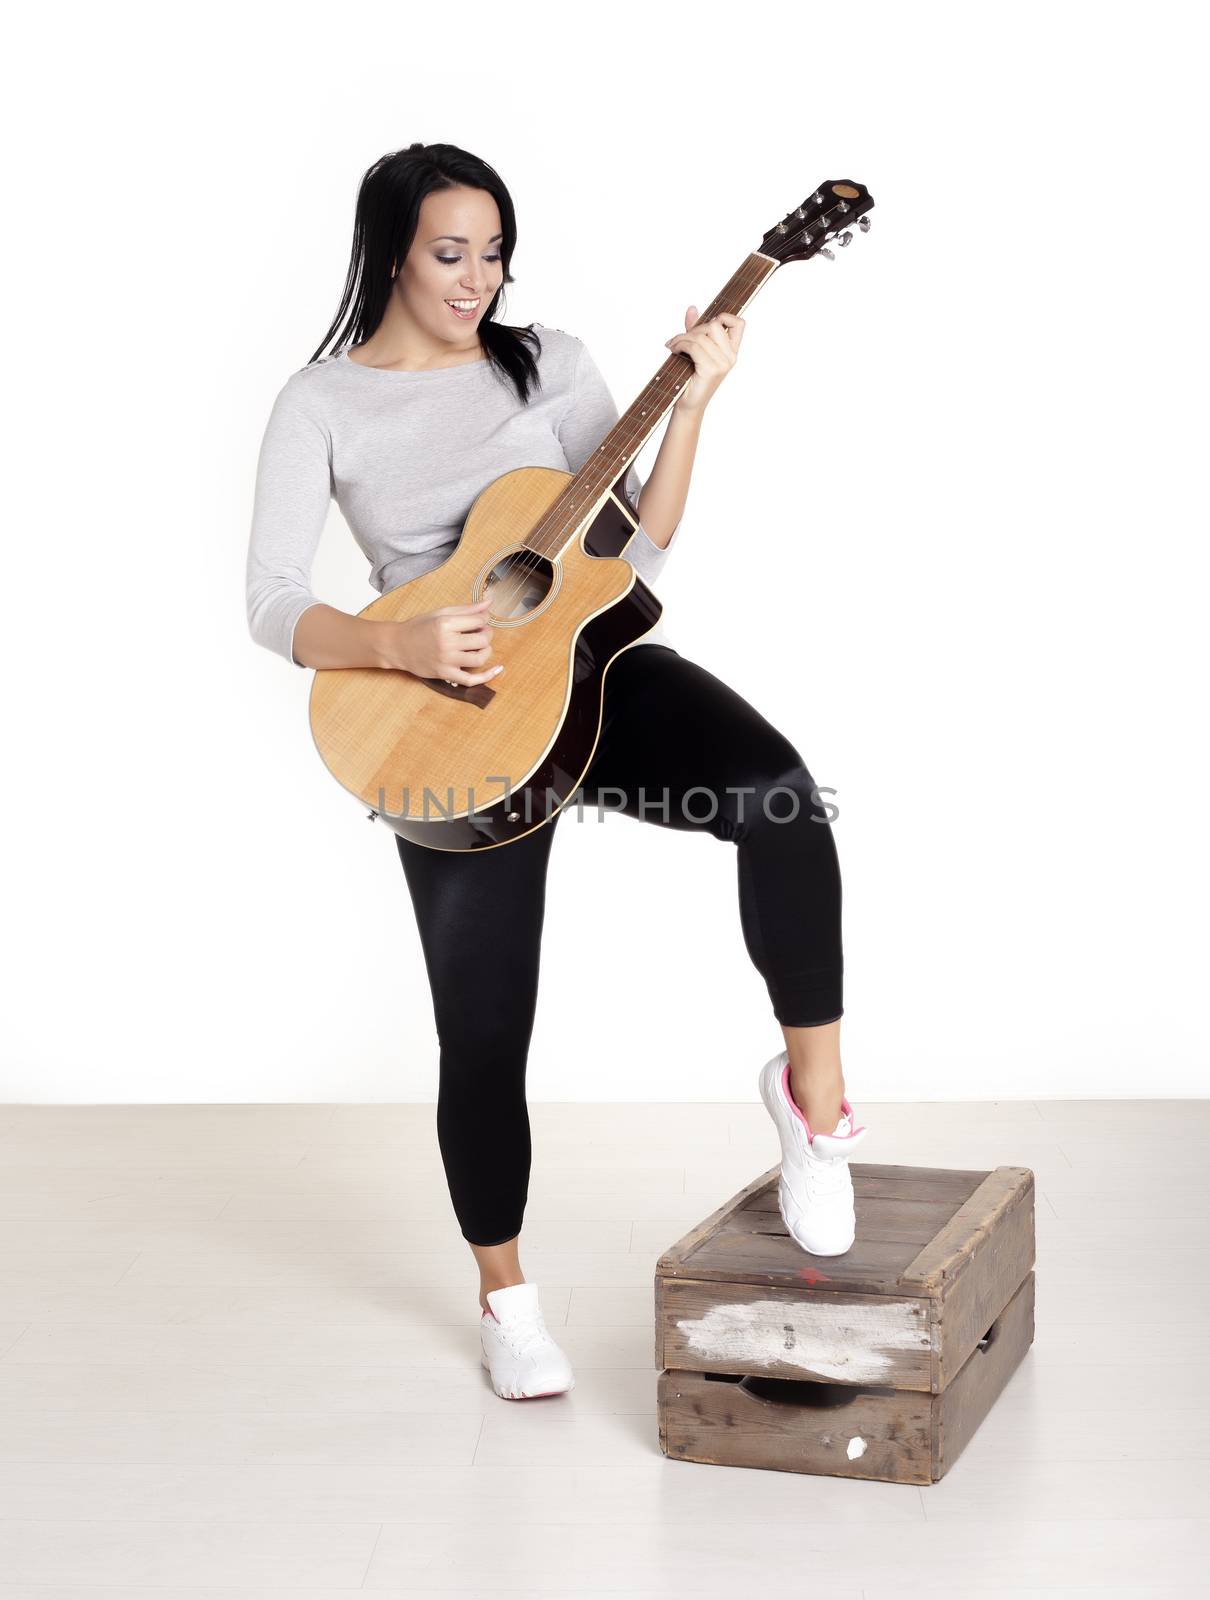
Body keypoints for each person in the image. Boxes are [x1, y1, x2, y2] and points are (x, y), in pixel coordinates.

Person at [246, 142, 870, 1403]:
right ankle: (506, 1296)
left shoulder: (557, 366)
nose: (476, 278)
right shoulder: (321, 402)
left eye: (492, 251)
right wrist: (397, 640)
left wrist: (691, 405)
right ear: (387, 253)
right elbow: (268, 601)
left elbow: (636, 544)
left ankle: (816, 1100)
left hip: (592, 675)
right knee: (482, 1030)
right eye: (447, 252)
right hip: (445, 722)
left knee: (781, 798)